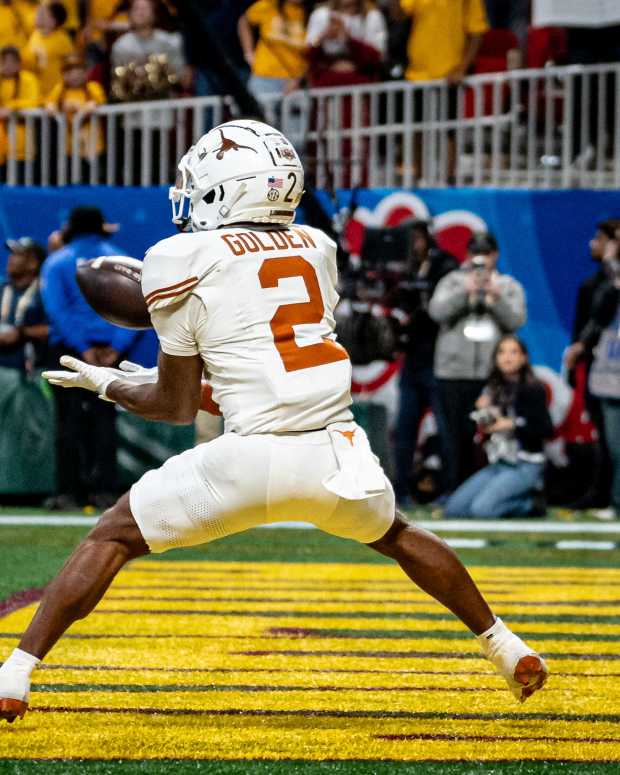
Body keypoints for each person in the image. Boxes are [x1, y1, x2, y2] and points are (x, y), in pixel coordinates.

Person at [0, 119, 547, 724]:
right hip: (337, 459)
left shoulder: (180, 258)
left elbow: (174, 405)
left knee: (111, 536)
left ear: (228, 186)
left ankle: (16, 674)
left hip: (247, 461)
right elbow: (258, 368)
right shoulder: (317, 248)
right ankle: (504, 644)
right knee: (399, 535)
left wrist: (108, 382)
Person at [40, 207, 139, 512]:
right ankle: (105, 492)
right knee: (105, 419)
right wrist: (114, 350)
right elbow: (138, 307)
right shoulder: (119, 259)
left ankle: (69, 493)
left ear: (71, 228)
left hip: (71, 349)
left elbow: (57, 312)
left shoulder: (57, 262)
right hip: (112, 349)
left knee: (68, 420)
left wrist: (83, 349)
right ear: (101, 228)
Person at [428, 232, 526, 495]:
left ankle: (481, 493)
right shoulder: (452, 281)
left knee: (487, 436)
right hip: (452, 372)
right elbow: (436, 311)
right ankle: (452, 492)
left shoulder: (507, 286)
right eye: (475, 253)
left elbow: (516, 320)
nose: (480, 259)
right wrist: (465, 292)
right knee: (452, 436)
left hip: (490, 374)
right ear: (468, 255)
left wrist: (496, 298)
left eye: (486, 253)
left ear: (496, 255)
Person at [444, 335, 553, 519]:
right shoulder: (492, 389)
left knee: (482, 510)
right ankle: (508, 497)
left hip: (524, 464)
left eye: (513, 352)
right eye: (501, 352)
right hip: (499, 463)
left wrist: (512, 423)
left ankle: (531, 504)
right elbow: (480, 428)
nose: (507, 357)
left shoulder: (533, 388)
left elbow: (545, 428)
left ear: (523, 357)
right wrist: (481, 412)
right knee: (454, 509)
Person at [390, 220, 458, 508]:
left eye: (418, 238)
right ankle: (400, 490)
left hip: (438, 360)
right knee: (404, 429)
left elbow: (437, 310)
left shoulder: (444, 264)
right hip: (412, 360)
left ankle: (448, 490)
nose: (414, 245)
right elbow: (396, 302)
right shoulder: (401, 268)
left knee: (445, 430)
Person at [399, 0, 489, 182]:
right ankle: (419, 178)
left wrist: (462, 68)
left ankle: (450, 178)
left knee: (450, 129)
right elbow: (400, 14)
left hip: (449, 72)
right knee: (418, 128)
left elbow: (477, 31)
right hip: (418, 72)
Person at [564, 219, 620, 510]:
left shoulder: (608, 284)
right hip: (605, 372)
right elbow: (593, 320)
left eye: (601, 239)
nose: (593, 244)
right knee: (609, 441)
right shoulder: (596, 284)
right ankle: (606, 497)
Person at [46, 54, 106, 182]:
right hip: (70, 147)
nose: (74, 76)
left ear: (85, 73)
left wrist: (82, 107)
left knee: (92, 179)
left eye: (78, 72)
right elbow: (49, 103)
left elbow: (98, 101)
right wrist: (52, 107)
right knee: (71, 178)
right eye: (69, 73)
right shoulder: (60, 89)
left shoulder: (92, 87)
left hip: (92, 145)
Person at [240, 0, 310, 100]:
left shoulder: (312, 14)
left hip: (295, 82)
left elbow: (313, 53)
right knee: (258, 114)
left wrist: (298, 80)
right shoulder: (269, 5)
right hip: (264, 78)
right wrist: (248, 53)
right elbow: (244, 21)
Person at [0, 237, 47, 373]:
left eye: (17, 254)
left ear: (33, 263)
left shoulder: (44, 293)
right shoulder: (3, 289)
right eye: (11, 254)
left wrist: (22, 333)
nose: (10, 259)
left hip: (32, 373)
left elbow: (56, 329)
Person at [0, 46, 40, 182]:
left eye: (12, 61)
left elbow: (34, 101)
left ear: (19, 63)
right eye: (4, 61)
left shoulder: (28, 79)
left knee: (20, 185)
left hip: (21, 147)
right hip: (1, 149)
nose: (8, 65)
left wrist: (11, 107)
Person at [21, 2, 74, 100]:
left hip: (55, 94)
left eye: (43, 13)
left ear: (53, 20)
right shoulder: (34, 35)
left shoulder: (62, 39)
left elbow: (71, 65)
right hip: (36, 93)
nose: (38, 15)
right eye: (39, 12)